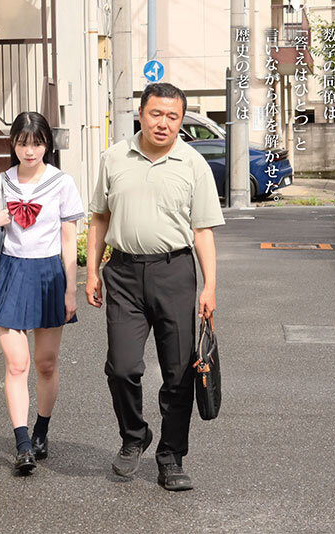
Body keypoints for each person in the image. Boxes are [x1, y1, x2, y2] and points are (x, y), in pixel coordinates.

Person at [85, 83, 224, 491]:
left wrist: (210, 286)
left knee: (178, 373)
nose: (163, 123)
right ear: (142, 114)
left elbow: (202, 230)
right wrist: (92, 272)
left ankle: (171, 457)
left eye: (172, 116)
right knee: (122, 367)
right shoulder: (114, 158)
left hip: (174, 272)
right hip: (124, 273)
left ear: (181, 121)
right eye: (156, 114)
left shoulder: (193, 163)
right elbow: (99, 218)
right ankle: (134, 435)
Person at [0, 111, 85, 475]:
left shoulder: (62, 183)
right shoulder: (0, 182)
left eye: (37, 143)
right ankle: (22, 444)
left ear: (47, 145)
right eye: (23, 143)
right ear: (13, 144)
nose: (30, 150)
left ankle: (41, 431)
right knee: (17, 363)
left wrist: (71, 290)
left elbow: (69, 240)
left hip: (48, 275)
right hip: (11, 273)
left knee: (46, 363)